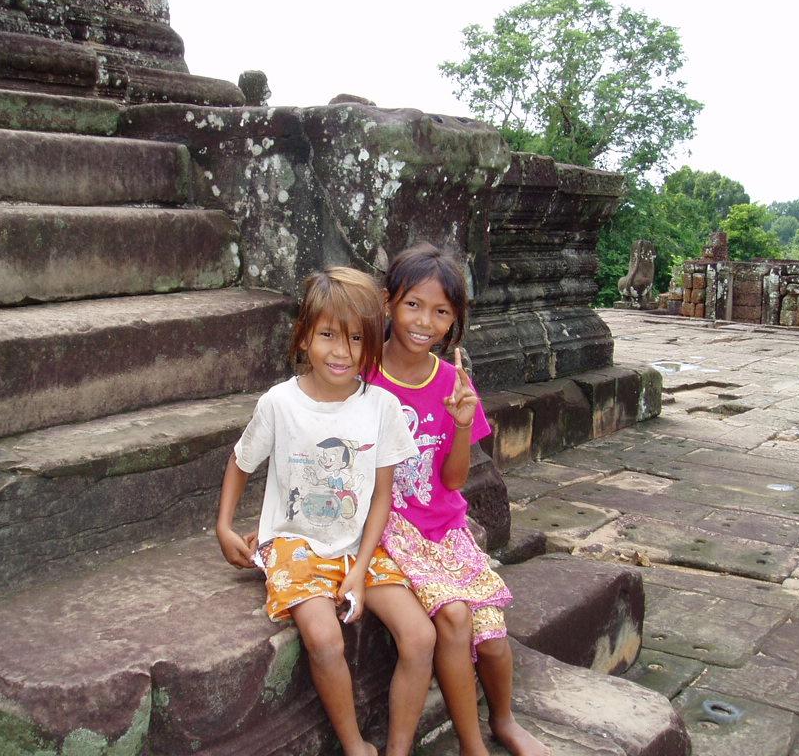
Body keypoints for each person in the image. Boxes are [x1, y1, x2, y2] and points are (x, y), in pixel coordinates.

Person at [216, 266, 437, 756]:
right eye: (329, 336)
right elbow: (241, 460)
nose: (342, 351)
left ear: (372, 343)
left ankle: (398, 749)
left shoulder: (381, 407)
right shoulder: (280, 403)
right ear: (304, 337)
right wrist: (224, 526)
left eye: (357, 338)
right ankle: (356, 746)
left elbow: (381, 497)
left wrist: (359, 570)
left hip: (360, 546)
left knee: (421, 636)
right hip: (294, 543)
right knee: (324, 638)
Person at [370, 244, 551, 756]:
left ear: (454, 321)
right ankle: (473, 746)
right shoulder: (363, 375)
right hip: (391, 527)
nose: (424, 322)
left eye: (441, 312)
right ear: (388, 302)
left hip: (444, 527)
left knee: (492, 639)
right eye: (413, 304)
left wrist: (464, 423)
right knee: (453, 616)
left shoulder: (453, 382)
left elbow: (452, 481)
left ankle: (504, 721)